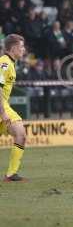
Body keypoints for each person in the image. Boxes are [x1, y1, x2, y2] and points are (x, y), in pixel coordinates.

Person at [0, 34, 27, 181]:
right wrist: (3, 113)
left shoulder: (10, 63)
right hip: (1, 107)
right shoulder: (4, 63)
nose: (23, 50)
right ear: (14, 48)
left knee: (20, 134)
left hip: (3, 105)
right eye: (21, 47)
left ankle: (11, 174)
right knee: (20, 134)